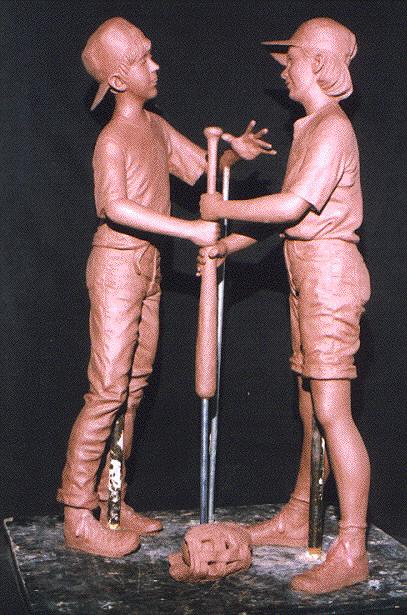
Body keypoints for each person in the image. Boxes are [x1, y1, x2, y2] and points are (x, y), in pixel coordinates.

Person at [57, 16, 274, 558]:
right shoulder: (112, 139)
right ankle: (77, 514)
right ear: (118, 79)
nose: (155, 66)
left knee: (132, 390)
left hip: (149, 268)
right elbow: (114, 206)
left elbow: (201, 168)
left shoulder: (153, 126)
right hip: (116, 267)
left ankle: (111, 498)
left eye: (151, 54)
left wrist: (233, 155)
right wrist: (189, 229)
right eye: (142, 59)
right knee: (107, 391)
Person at [199, 17, 371, 594]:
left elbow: (292, 206)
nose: (284, 72)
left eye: (292, 60)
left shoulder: (332, 127)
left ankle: (352, 547)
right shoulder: (311, 127)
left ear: (318, 64)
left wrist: (223, 210)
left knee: (333, 411)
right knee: (310, 405)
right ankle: (301, 514)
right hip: (307, 271)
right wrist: (228, 243)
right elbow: (292, 216)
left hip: (330, 277)